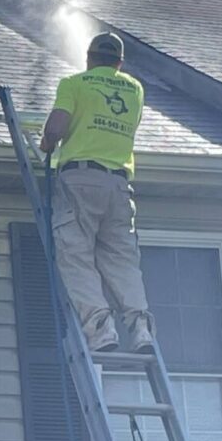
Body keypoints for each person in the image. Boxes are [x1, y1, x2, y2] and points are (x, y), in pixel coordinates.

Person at [39, 31, 153, 352]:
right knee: (121, 260)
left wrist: (46, 144)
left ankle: (101, 329)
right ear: (119, 63)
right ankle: (140, 326)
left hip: (80, 180)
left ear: (88, 59)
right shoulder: (135, 89)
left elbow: (55, 129)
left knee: (76, 255)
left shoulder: (75, 84)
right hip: (119, 186)